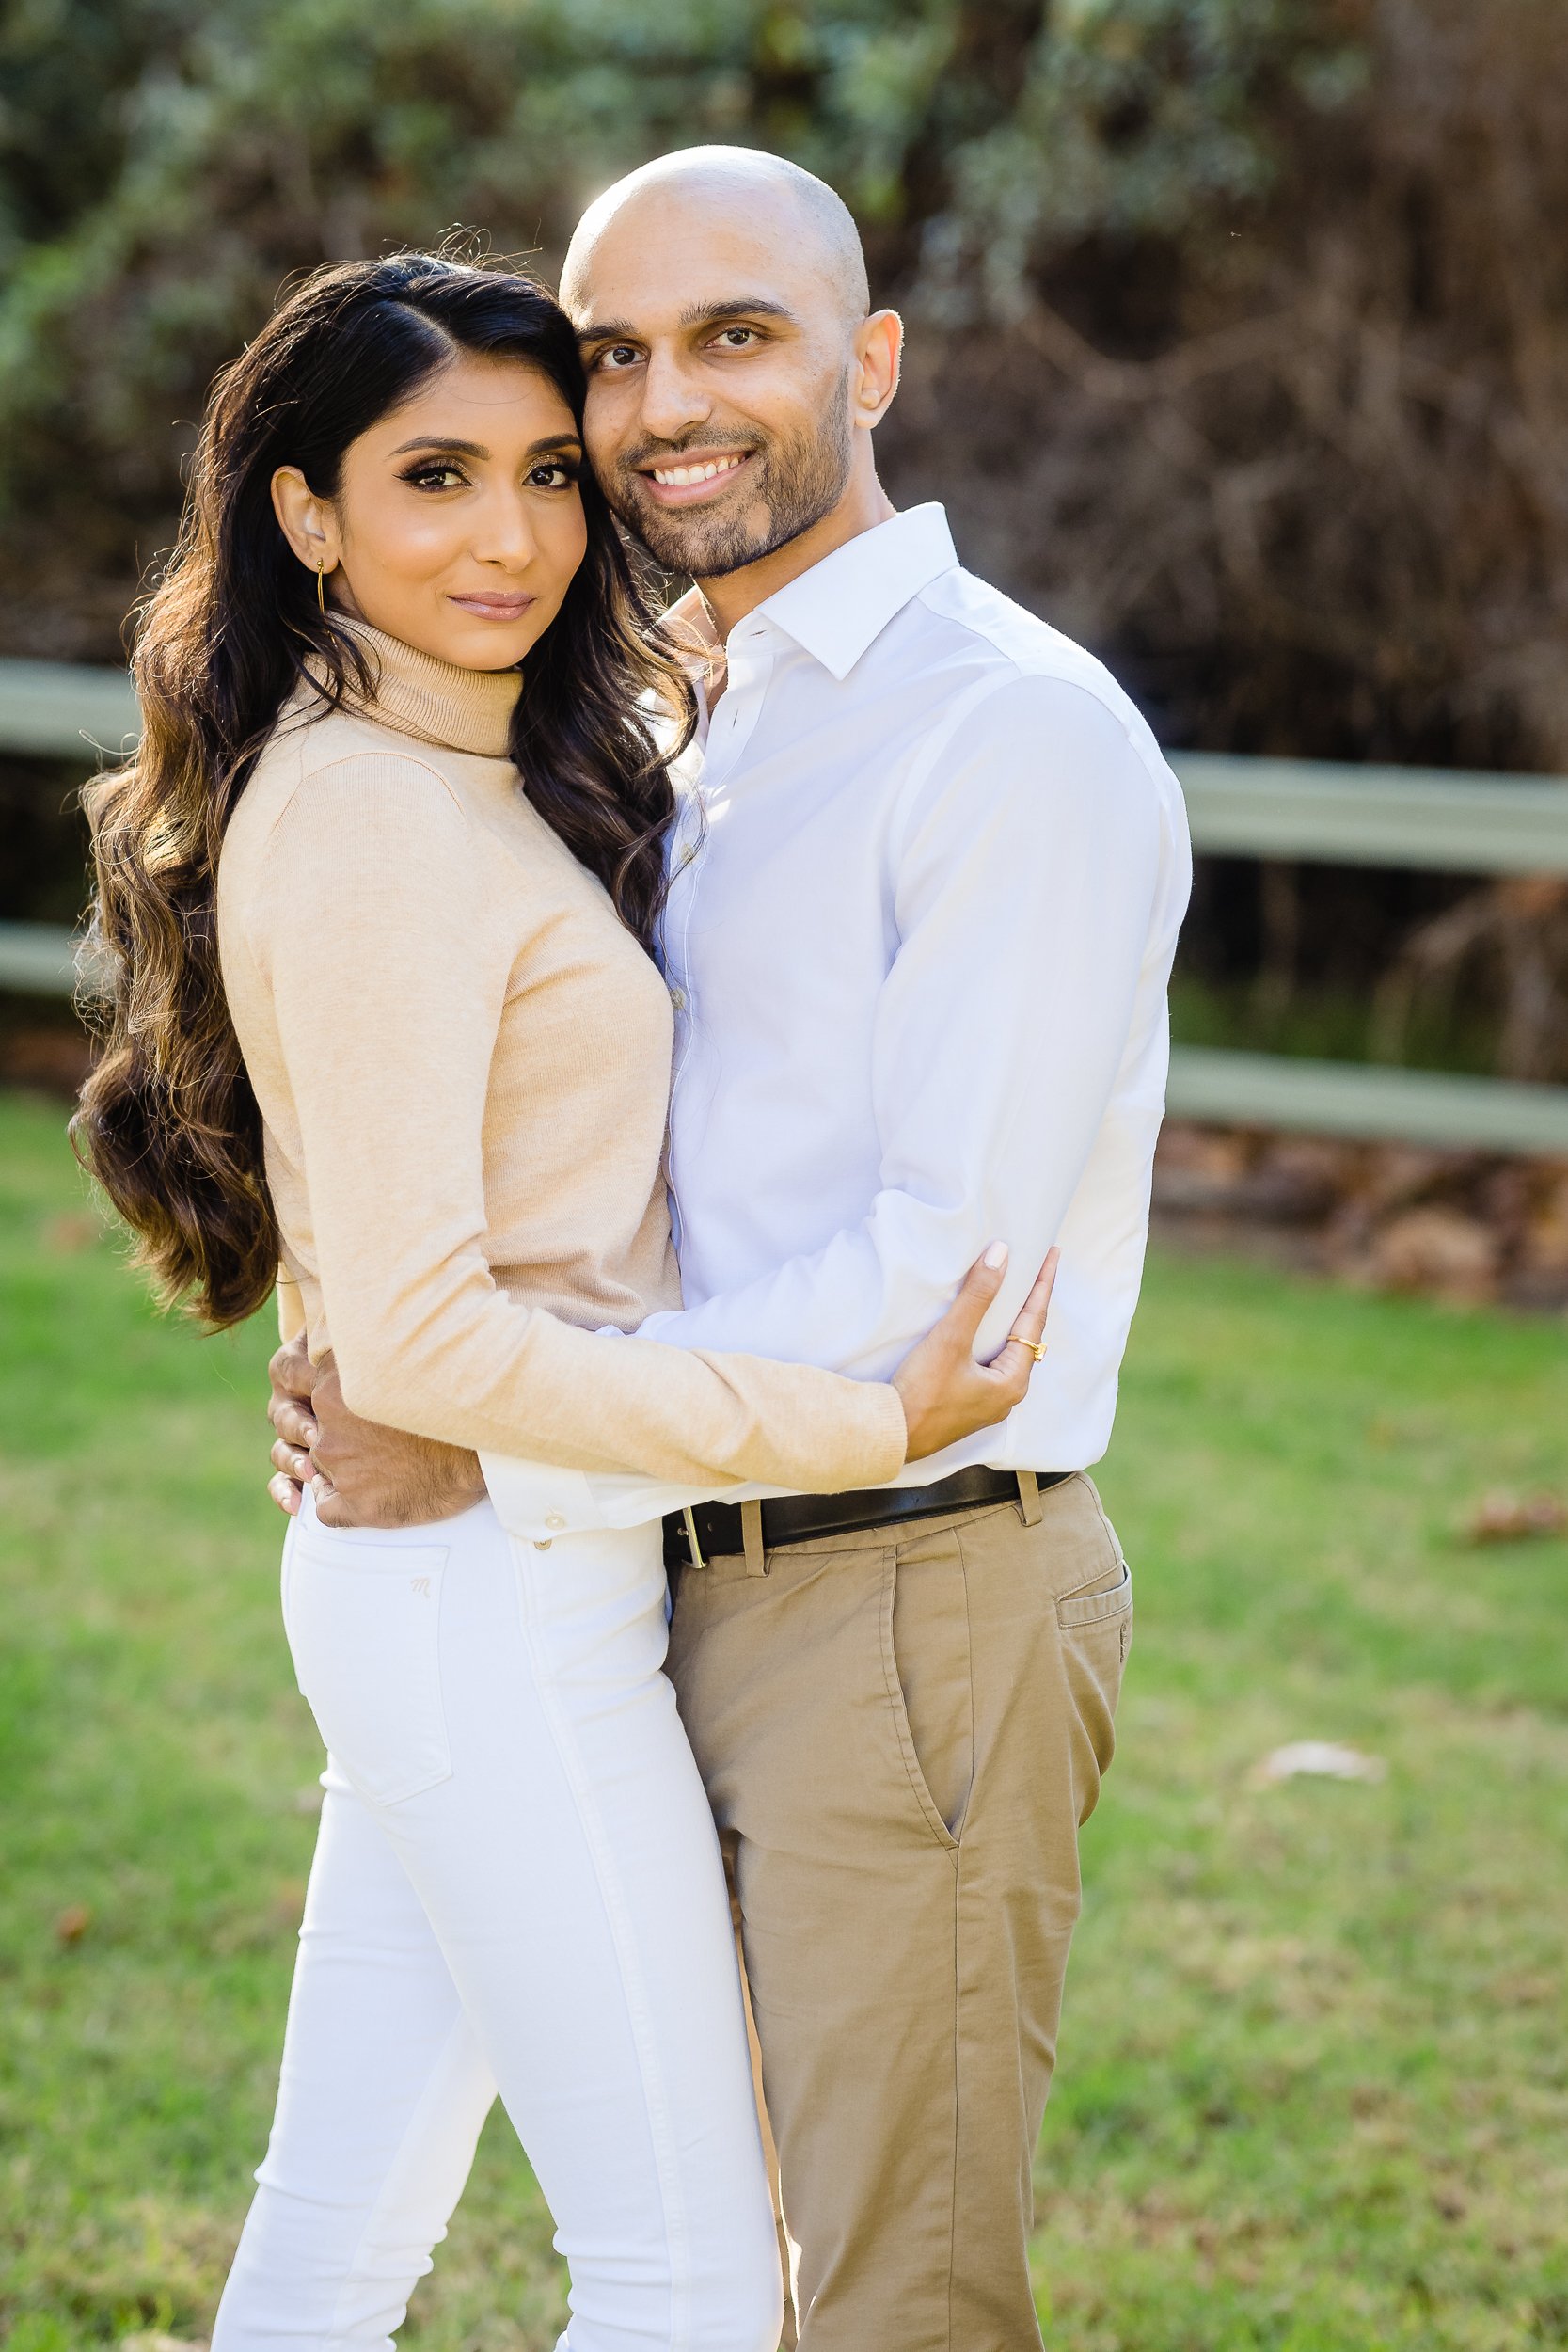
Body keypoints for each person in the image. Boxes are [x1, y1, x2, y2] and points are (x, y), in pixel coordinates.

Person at [71, 249, 1056, 2352]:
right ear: (306, 514)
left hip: (473, 1580)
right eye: (432, 476)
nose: (509, 534)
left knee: (342, 2234)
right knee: (692, 2282)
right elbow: (425, 1342)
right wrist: (862, 1421)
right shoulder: (369, 818)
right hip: (490, 1596)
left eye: (541, 470)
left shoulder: (455, 770)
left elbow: (434, 1259)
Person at [266, 151, 1193, 2352]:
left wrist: (485, 1434)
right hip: (662, 1555)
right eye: (616, 352)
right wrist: (413, 1350)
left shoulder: (1010, 734)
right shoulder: (666, 705)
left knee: (879, 2292)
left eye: (736, 335)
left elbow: (938, 1273)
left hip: (902, 1580)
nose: (663, 400)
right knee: (688, 2250)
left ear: (871, 360)